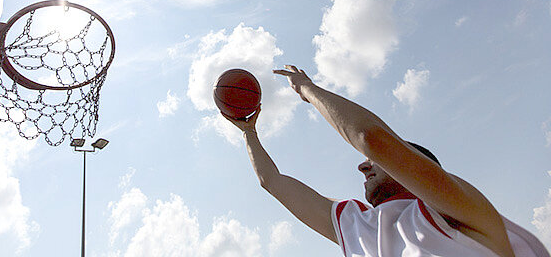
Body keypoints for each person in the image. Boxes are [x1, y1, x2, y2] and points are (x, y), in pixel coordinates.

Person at [225, 65, 549, 257]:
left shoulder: (454, 210)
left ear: (420, 164)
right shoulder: (361, 227)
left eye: (372, 162)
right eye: (366, 161)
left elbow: (372, 140)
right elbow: (272, 181)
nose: (363, 165)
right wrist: (249, 133)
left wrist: (308, 89)